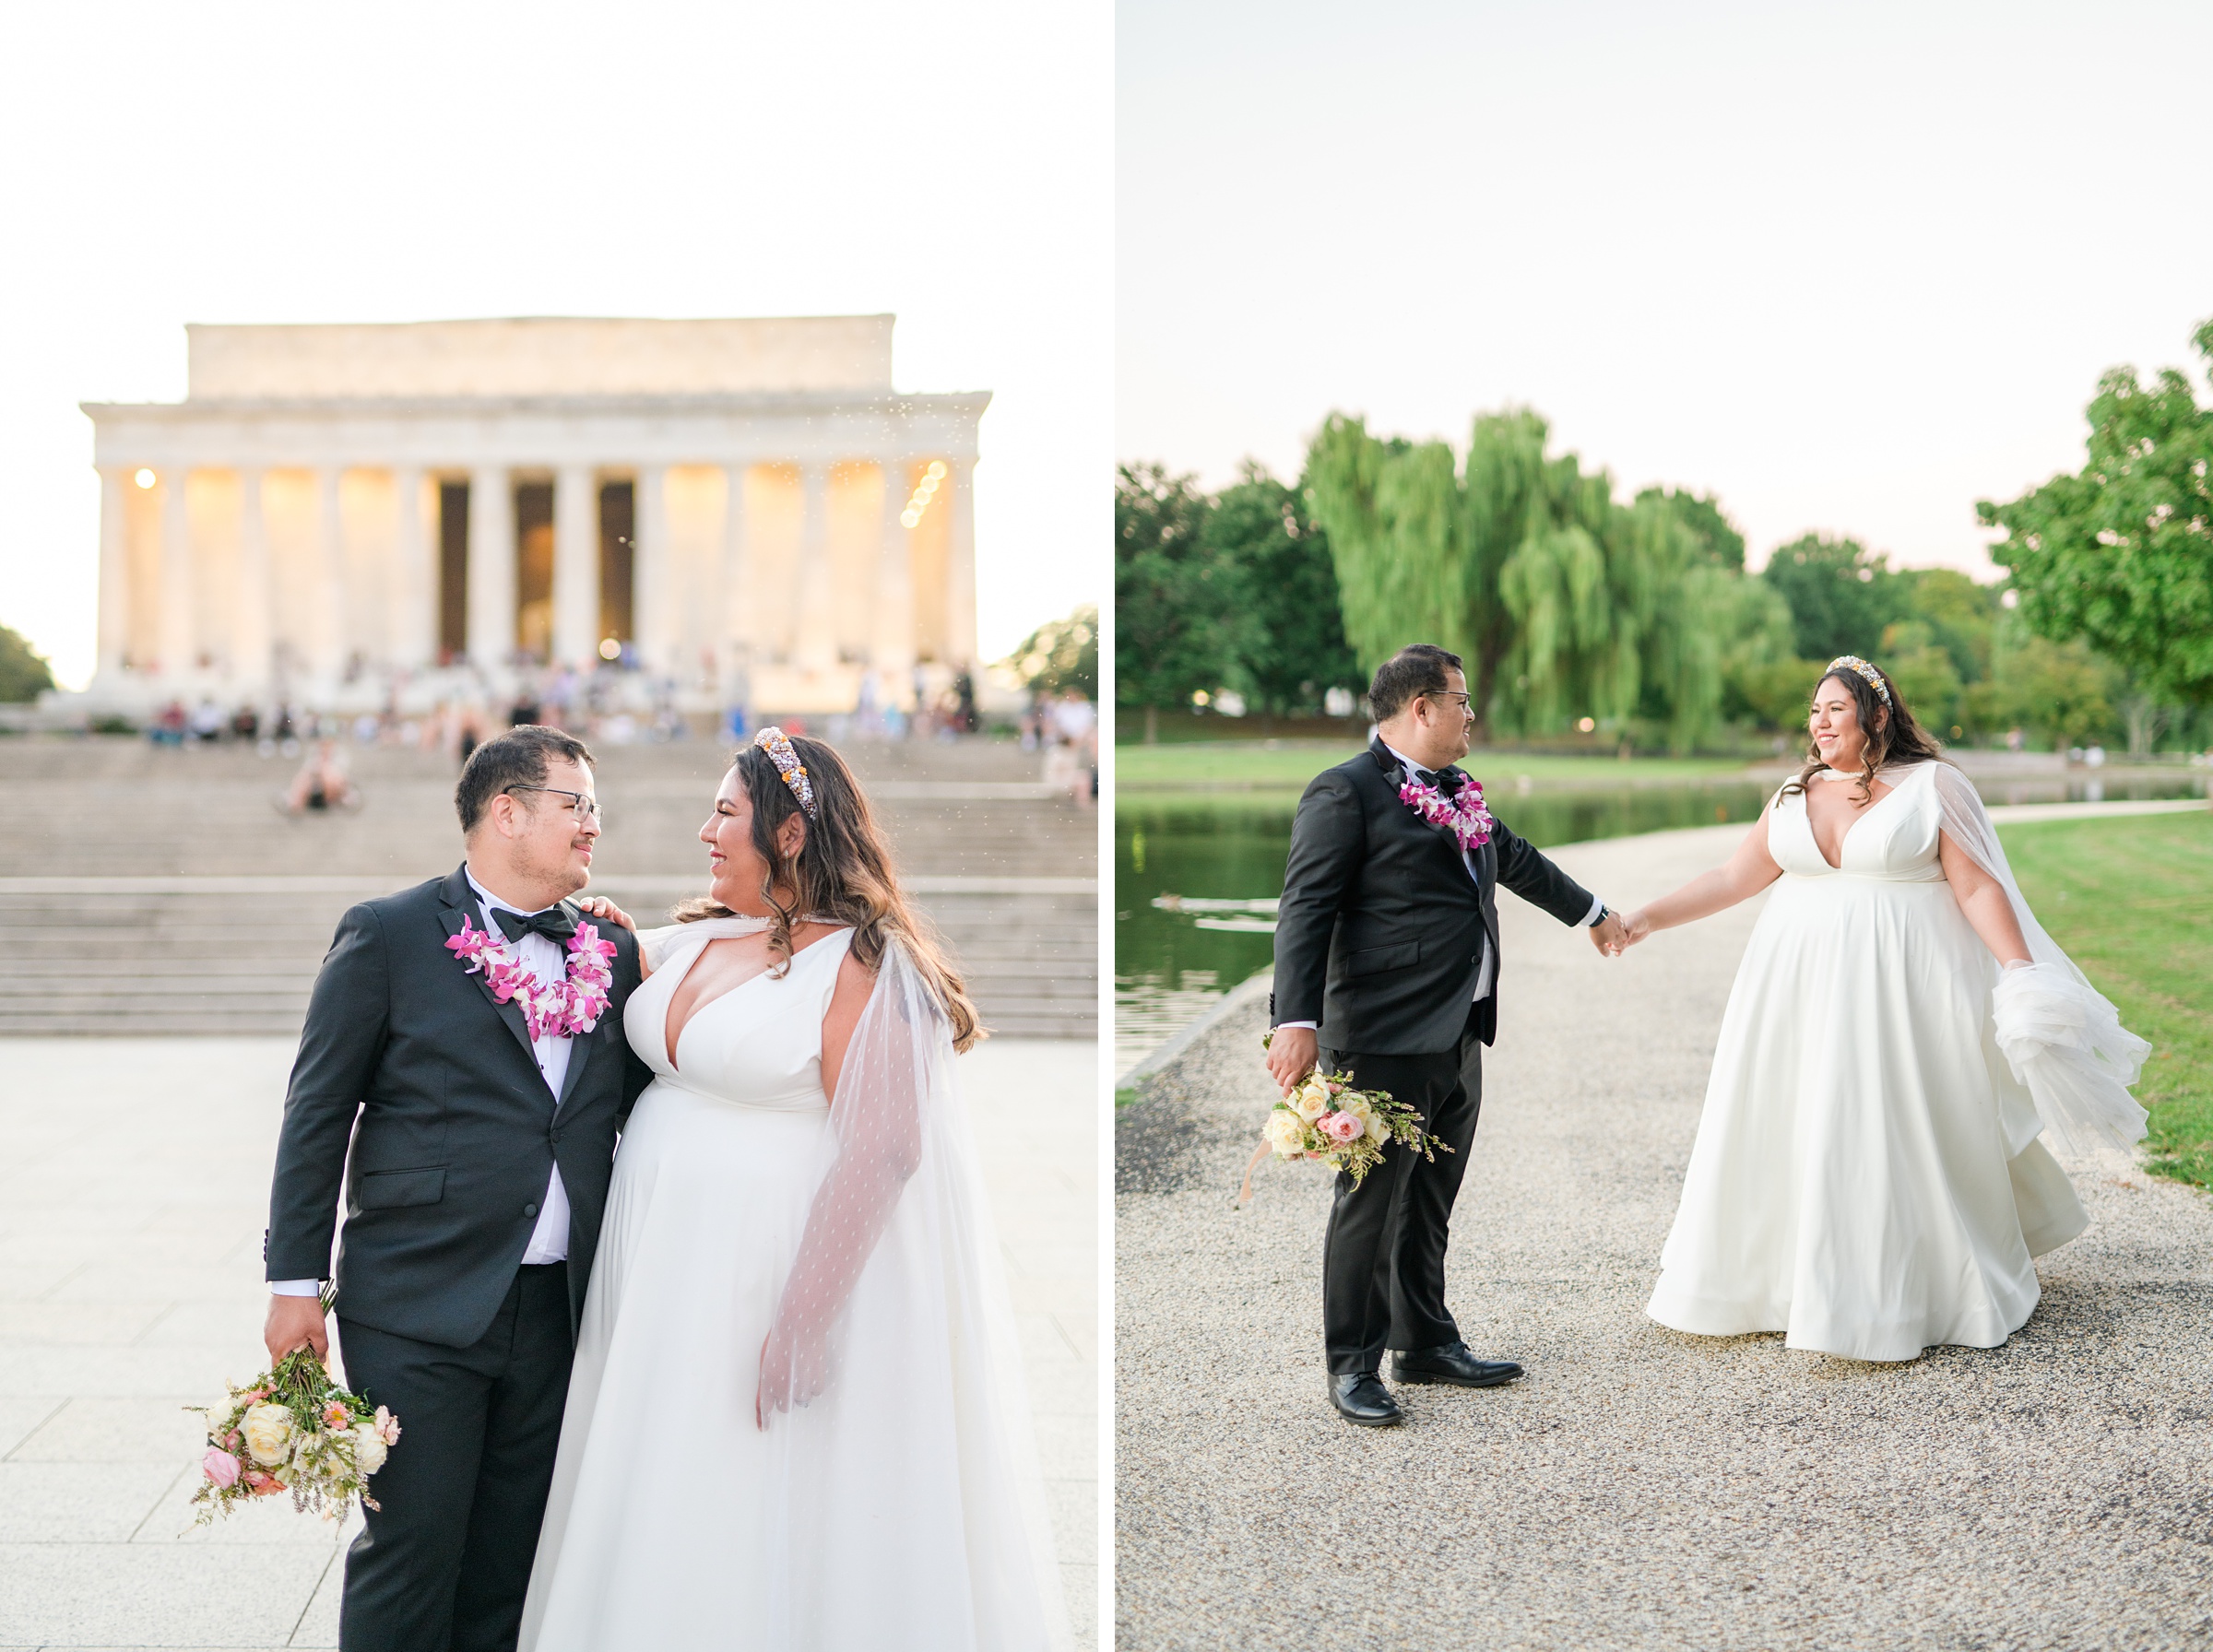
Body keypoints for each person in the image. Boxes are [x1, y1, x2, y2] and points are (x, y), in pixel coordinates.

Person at [520, 728, 1068, 1650]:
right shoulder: (694, 940)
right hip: (661, 1267)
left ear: (786, 834)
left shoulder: (865, 961)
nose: (704, 830)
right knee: (662, 1468)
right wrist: (604, 927)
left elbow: (884, 1149)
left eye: (725, 813)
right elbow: (612, 977)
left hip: (761, 1269)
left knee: (750, 1478)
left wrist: (804, 1318)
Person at [1618, 655, 2151, 1362]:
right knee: (1794, 1120)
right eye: (1813, 710)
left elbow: (1980, 890)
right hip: (1793, 994)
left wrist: (2020, 970)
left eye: (1834, 708)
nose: (1819, 722)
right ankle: (1775, 1285)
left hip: (1901, 994)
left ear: (1877, 715)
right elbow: (1732, 876)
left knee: (1887, 1127)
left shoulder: (1937, 786)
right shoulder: (1793, 792)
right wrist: (1644, 920)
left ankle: (1913, 1291)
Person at [263, 726, 653, 1651]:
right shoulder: (390, 933)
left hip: (559, 1309)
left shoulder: (612, 951)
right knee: (414, 1545)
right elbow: (318, 1112)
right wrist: (292, 1284)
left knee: (511, 1561)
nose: (595, 824)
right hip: (419, 1301)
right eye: (578, 803)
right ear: (505, 810)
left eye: (596, 806)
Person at [1265, 644, 1629, 1427]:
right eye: (1462, 700)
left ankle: (1424, 1341)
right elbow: (1305, 909)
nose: (1473, 714)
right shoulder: (1344, 791)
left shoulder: (1458, 793)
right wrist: (1292, 1021)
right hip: (1381, 1034)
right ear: (1421, 707)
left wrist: (1592, 914)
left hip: (1460, 1028)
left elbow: (1513, 859)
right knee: (1369, 1200)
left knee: (1430, 1200)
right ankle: (1352, 1365)